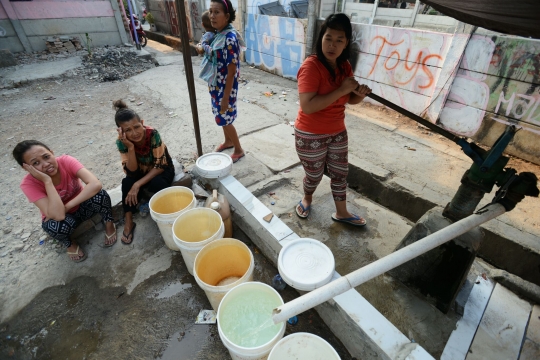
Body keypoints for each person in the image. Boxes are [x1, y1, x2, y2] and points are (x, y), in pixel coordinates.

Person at [294, 13, 372, 227]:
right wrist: (341, 89)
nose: (332, 45)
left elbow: (348, 100)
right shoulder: (311, 66)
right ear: (321, 38)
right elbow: (307, 106)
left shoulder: (344, 65)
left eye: (339, 40)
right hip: (310, 134)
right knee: (314, 175)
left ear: (346, 42)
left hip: (338, 132)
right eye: (328, 38)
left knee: (340, 173)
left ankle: (342, 212)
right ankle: (307, 198)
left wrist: (359, 94)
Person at [14, 140, 117, 262]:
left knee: (100, 195)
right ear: (27, 168)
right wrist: (47, 181)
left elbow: (95, 184)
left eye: (47, 157)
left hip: (82, 206)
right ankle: (69, 243)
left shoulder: (65, 161)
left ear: (52, 153)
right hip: (64, 218)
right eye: (36, 163)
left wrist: (67, 206)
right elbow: (58, 215)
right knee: (55, 227)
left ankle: (109, 224)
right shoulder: (28, 184)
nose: (46, 164)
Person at [114, 100, 175, 244]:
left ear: (142, 122)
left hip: (161, 170)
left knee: (157, 182)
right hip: (140, 172)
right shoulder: (121, 142)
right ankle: (129, 221)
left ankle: (162, 209)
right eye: (128, 130)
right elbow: (132, 173)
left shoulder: (152, 134)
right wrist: (130, 148)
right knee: (127, 182)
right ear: (121, 131)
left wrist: (138, 185)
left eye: (136, 127)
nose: (134, 133)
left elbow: (160, 166)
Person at [202, 0, 245, 162]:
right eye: (211, 11)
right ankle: (228, 141)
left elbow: (232, 70)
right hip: (216, 85)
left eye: (217, 12)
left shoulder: (229, 38)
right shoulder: (219, 33)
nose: (212, 16)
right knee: (221, 116)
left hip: (225, 88)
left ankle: (239, 149)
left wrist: (226, 97)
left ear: (226, 16)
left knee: (224, 118)